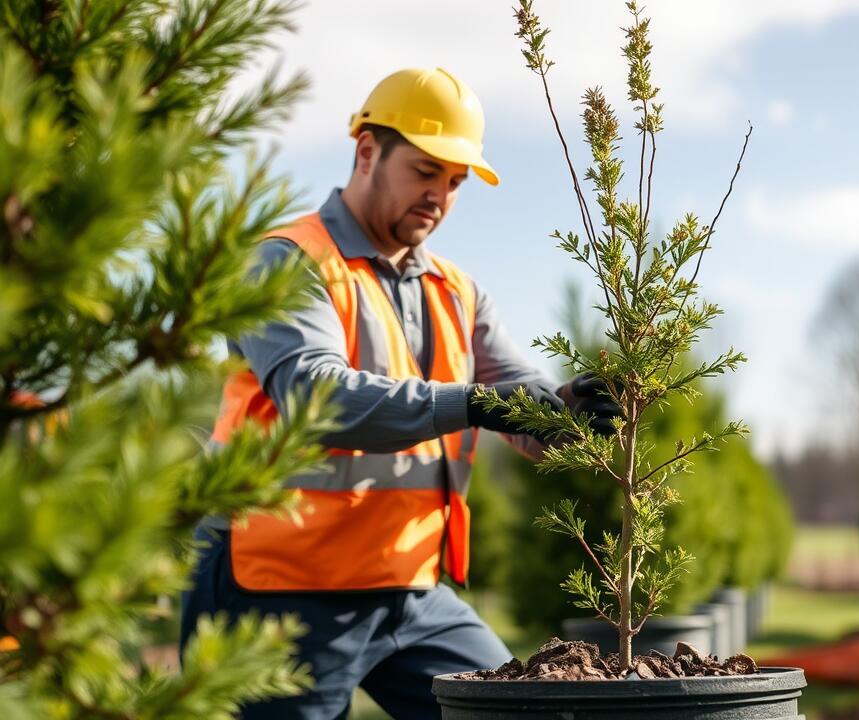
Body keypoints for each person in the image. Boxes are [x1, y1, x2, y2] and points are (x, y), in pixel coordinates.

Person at [180, 67, 621, 719]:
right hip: (277, 591)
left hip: (411, 592)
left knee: (522, 712)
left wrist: (562, 411)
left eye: (455, 182)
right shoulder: (286, 262)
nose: (439, 195)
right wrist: (470, 403)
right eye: (425, 171)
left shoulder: (458, 290)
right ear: (367, 153)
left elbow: (511, 391)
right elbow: (316, 395)